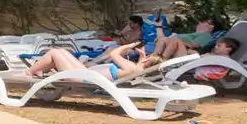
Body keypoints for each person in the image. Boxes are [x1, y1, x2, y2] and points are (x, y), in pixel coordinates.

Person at [25, 41, 160, 82]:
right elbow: (141, 67)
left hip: (82, 77)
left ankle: (30, 71)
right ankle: (39, 70)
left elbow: (114, 53)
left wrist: (130, 45)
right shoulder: (137, 69)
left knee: (54, 52)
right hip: (85, 73)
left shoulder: (131, 68)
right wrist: (142, 56)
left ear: (147, 60)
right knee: (61, 51)